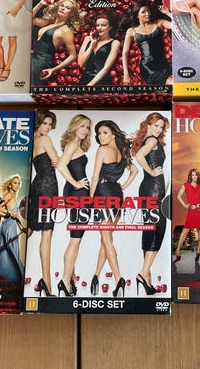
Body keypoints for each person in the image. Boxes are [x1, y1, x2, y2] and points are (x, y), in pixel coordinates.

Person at [89, 120, 138, 297]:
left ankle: (119, 279)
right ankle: (96, 276)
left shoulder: (102, 150)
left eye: (104, 133)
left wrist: (90, 199)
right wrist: (122, 186)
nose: (101, 136)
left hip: (102, 193)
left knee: (106, 239)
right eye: (99, 133)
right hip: (117, 194)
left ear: (113, 134)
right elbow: (135, 171)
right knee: (107, 238)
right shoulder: (122, 152)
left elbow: (95, 177)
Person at [132, 112, 170, 295]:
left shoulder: (149, 140)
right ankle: (142, 274)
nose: (159, 129)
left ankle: (147, 279)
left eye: (161, 127)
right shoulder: (152, 141)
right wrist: (152, 172)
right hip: (152, 189)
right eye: (156, 125)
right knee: (157, 229)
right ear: (148, 125)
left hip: (150, 189)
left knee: (151, 230)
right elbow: (139, 156)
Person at [56, 114, 91, 296]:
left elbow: (63, 164)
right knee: (75, 239)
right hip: (77, 195)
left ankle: (70, 278)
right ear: (74, 126)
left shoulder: (74, 145)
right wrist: (77, 184)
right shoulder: (72, 145)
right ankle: (64, 280)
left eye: (87, 127)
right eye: (82, 126)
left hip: (76, 194)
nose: (85, 130)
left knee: (75, 238)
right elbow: (61, 166)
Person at [28, 109, 59, 296]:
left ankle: (4, 249)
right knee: (47, 234)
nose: (47, 128)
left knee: (31, 227)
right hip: (48, 187)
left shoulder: (31, 141)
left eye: (50, 124)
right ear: (38, 122)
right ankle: (47, 283)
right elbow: (57, 161)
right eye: (44, 123)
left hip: (37, 185)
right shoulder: (45, 140)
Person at [32, 0, 84, 85]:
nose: (63, 8)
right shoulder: (49, 23)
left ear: (71, 13)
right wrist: (41, 4)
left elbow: (73, 56)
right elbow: (29, 19)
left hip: (41, 63)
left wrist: (53, 69)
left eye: (67, 8)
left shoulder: (66, 31)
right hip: (33, 58)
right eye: (62, 5)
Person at [120, 2, 171, 85]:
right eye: (143, 12)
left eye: (148, 11)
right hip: (148, 68)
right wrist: (126, 74)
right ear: (137, 15)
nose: (147, 14)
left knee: (177, 83)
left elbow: (177, 26)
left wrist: (168, 13)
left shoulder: (159, 23)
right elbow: (125, 53)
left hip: (163, 64)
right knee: (172, 82)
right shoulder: (131, 31)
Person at [174, 169, 200, 262]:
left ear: (198, 176)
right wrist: (185, 205)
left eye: (196, 175)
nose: (194, 177)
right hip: (191, 211)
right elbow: (178, 196)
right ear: (190, 176)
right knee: (185, 230)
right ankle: (178, 250)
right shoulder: (185, 185)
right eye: (193, 175)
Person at [77, 12, 120, 86]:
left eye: (103, 25)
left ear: (110, 27)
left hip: (102, 81)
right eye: (97, 25)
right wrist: (92, 45)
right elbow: (81, 64)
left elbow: (106, 68)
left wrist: (91, 84)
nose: (99, 28)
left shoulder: (115, 43)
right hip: (85, 79)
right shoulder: (87, 39)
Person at [0, 175, 26, 284]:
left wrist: (22, 227)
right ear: (10, 185)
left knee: (9, 252)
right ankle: (19, 277)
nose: (17, 185)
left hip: (13, 225)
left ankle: (8, 278)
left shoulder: (14, 196)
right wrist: (9, 213)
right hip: (7, 226)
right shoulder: (9, 195)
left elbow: (16, 216)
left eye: (18, 183)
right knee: (12, 250)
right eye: (15, 183)